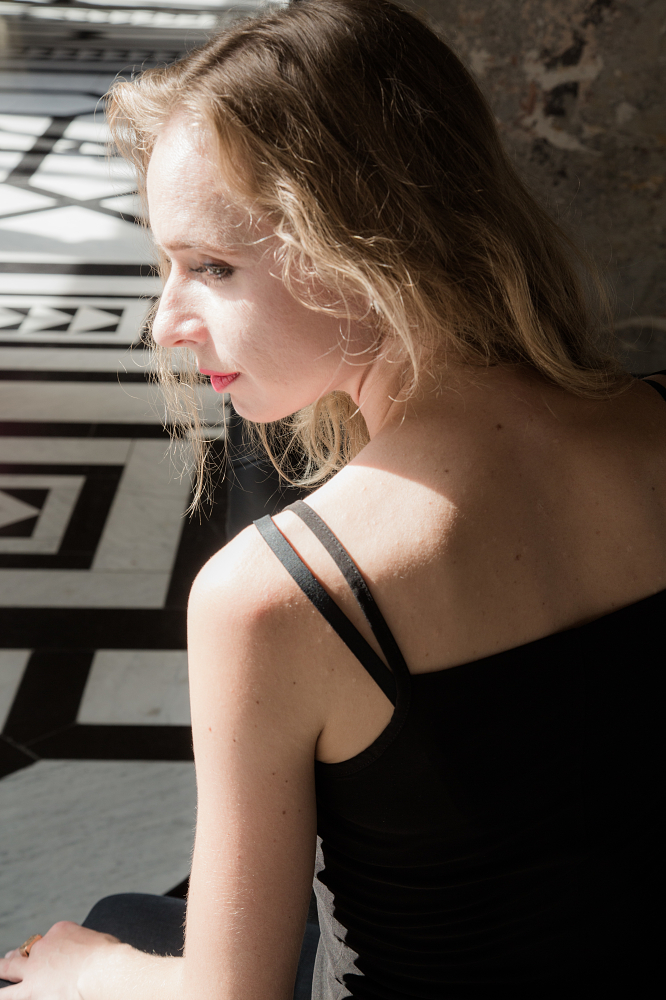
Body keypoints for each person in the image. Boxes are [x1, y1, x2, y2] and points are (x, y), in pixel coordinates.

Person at [2, 0, 664, 996]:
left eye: (211, 267)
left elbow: (235, 994)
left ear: (368, 248)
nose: (164, 321)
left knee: (93, 940)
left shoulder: (275, 598)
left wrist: (90, 972)